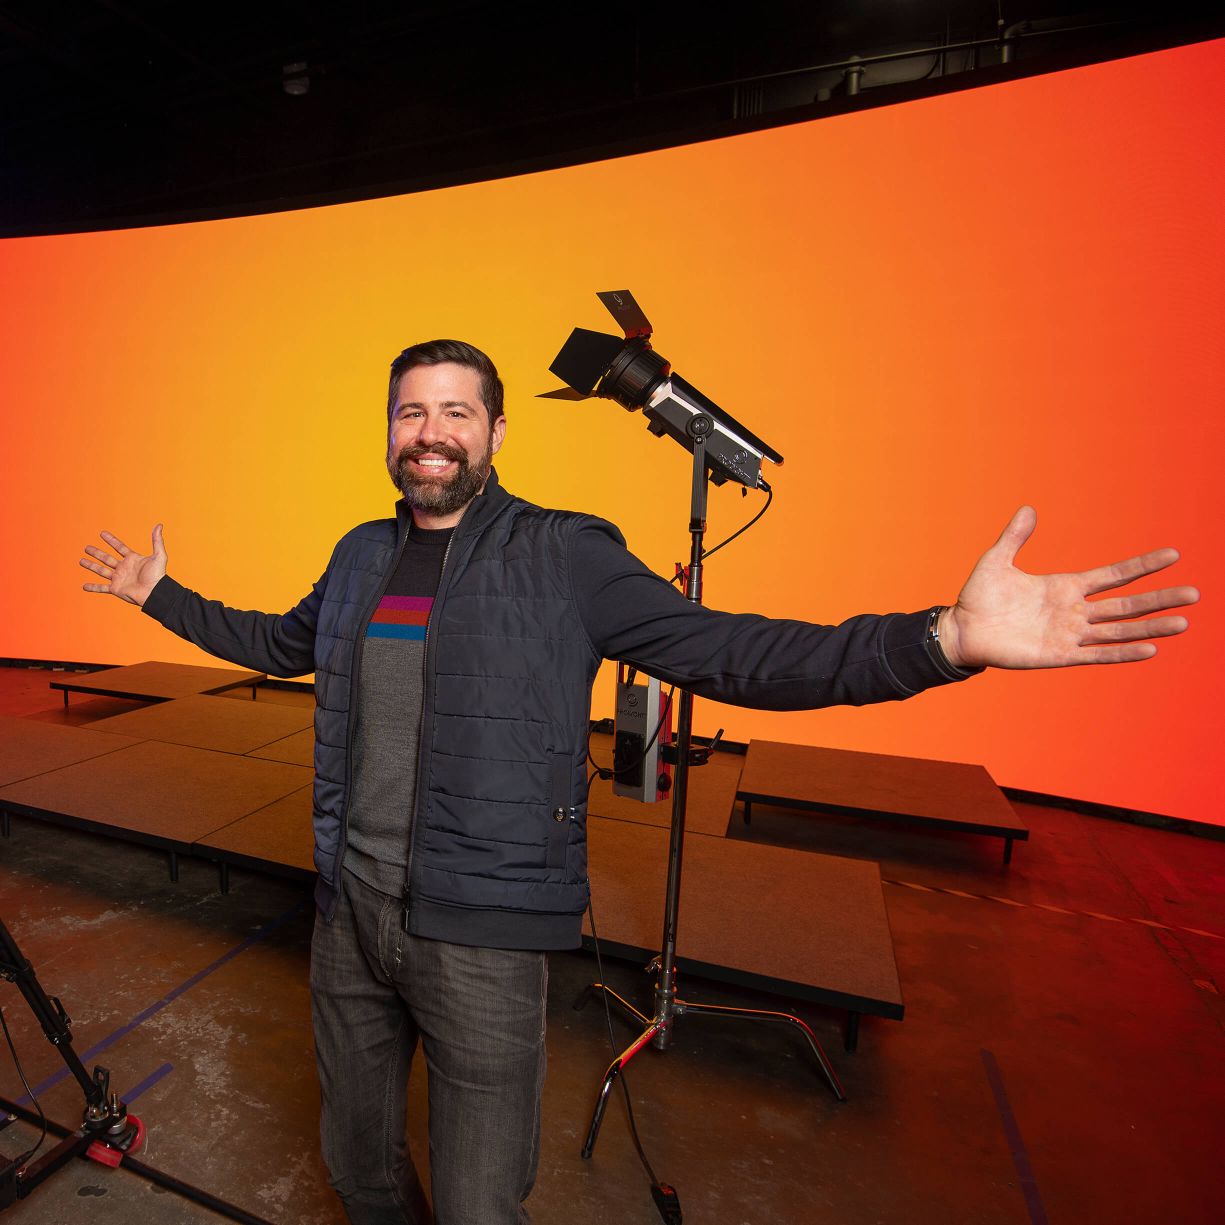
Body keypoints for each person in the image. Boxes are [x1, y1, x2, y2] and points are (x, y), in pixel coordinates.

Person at [79, 339, 1198, 1225]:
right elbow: (282, 641)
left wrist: (940, 640)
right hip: (349, 918)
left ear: (496, 430)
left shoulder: (563, 554)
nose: (430, 432)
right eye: (410, 411)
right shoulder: (362, 554)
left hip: (482, 934)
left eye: (454, 410)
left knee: (476, 1203)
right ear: (388, 432)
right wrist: (157, 596)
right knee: (358, 1167)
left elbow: (734, 652)